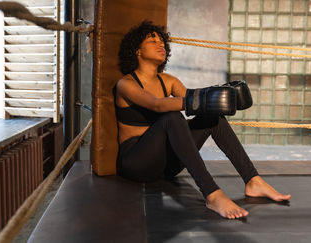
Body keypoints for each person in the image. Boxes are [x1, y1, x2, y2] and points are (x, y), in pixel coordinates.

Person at [114, 21, 291, 219]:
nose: (160, 44)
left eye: (161, 40)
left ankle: (253, 180)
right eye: (152, 40)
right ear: (137, 51)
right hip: (137, 164)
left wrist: (223, 95)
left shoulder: (169, 80)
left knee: (211, 115)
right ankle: (212, 194)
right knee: (172, 117)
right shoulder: (126, 84)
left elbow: (195, 100)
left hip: (167, 166)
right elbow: (157, 104)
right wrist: (205, 99)